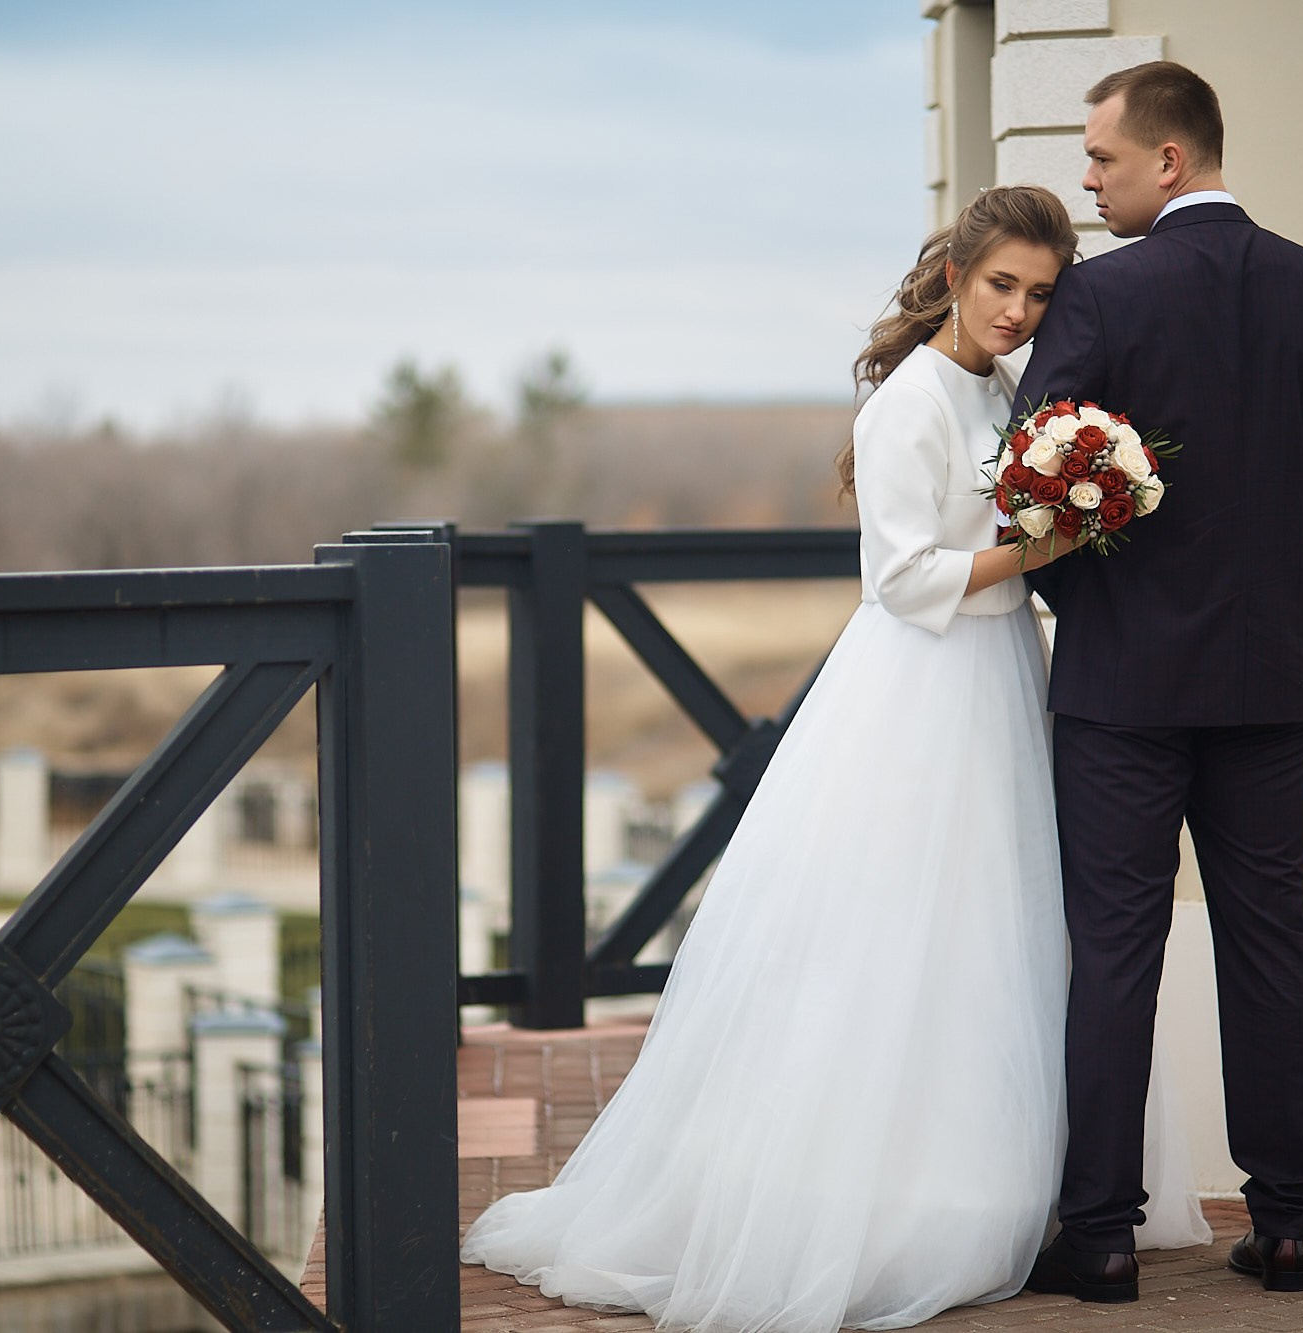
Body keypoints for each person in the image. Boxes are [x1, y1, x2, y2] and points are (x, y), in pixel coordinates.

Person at [460, 184, 1210, 1333]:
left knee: (995, 933)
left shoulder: (1011, 389)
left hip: (1001, 677)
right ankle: (866, 1194)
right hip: (917, 693)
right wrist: (1044, 543)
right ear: (953, 275)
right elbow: (903, 581)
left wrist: (1078, 513)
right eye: (1000, 284)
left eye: (1040, 293)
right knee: (893, 932)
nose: (1018, 311)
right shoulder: (905, 403)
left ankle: (985, 1178)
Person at [1016, 63, 1303, 1304]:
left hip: (1120, 687)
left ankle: (1102, 1237)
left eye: (1101, 157)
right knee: (1272, 937)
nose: (1085, 176)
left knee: (1111, 949)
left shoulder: (1100, 296)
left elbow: (1032, 487)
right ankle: (1283, 1223)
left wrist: (1105, 601)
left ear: (1167, 160)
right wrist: (1263, 575)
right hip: (1271, 679)